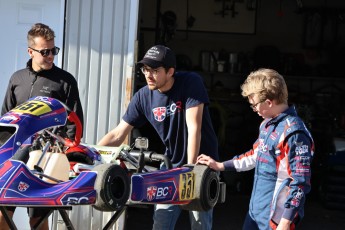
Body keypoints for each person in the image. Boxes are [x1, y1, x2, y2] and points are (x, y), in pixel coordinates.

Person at [98, 45, 219, 230]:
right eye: (146, 69)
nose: (148, 75)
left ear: (170, 72)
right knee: (161, 222)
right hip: (169, 165)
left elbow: (194, 127)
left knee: (200, 225)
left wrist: (191, 172)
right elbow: (118, 133)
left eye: (155, 70)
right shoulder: (143, 96)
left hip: (199, 165)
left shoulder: (190, 83)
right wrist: (94, 155)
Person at [197, 68, 314, 230]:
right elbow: (254, 155)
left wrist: (286, 221)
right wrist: (220, 165)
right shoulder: (267, 124)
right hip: (255, 213)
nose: (254, 110)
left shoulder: (294, 133)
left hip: (276, 219)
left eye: (254, 105)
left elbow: (300, 182)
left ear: (269, 102)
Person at [0, 23, 83, 230]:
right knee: (3, 213)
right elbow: (5, 119)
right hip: (15, 156)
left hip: (45, 158)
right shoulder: (17, 78)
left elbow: (75, 124)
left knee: (37, 220)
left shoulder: (66, 81)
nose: (50, 56)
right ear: (31, 51)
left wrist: (66, 155)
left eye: (53, 50)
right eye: (45, 51)